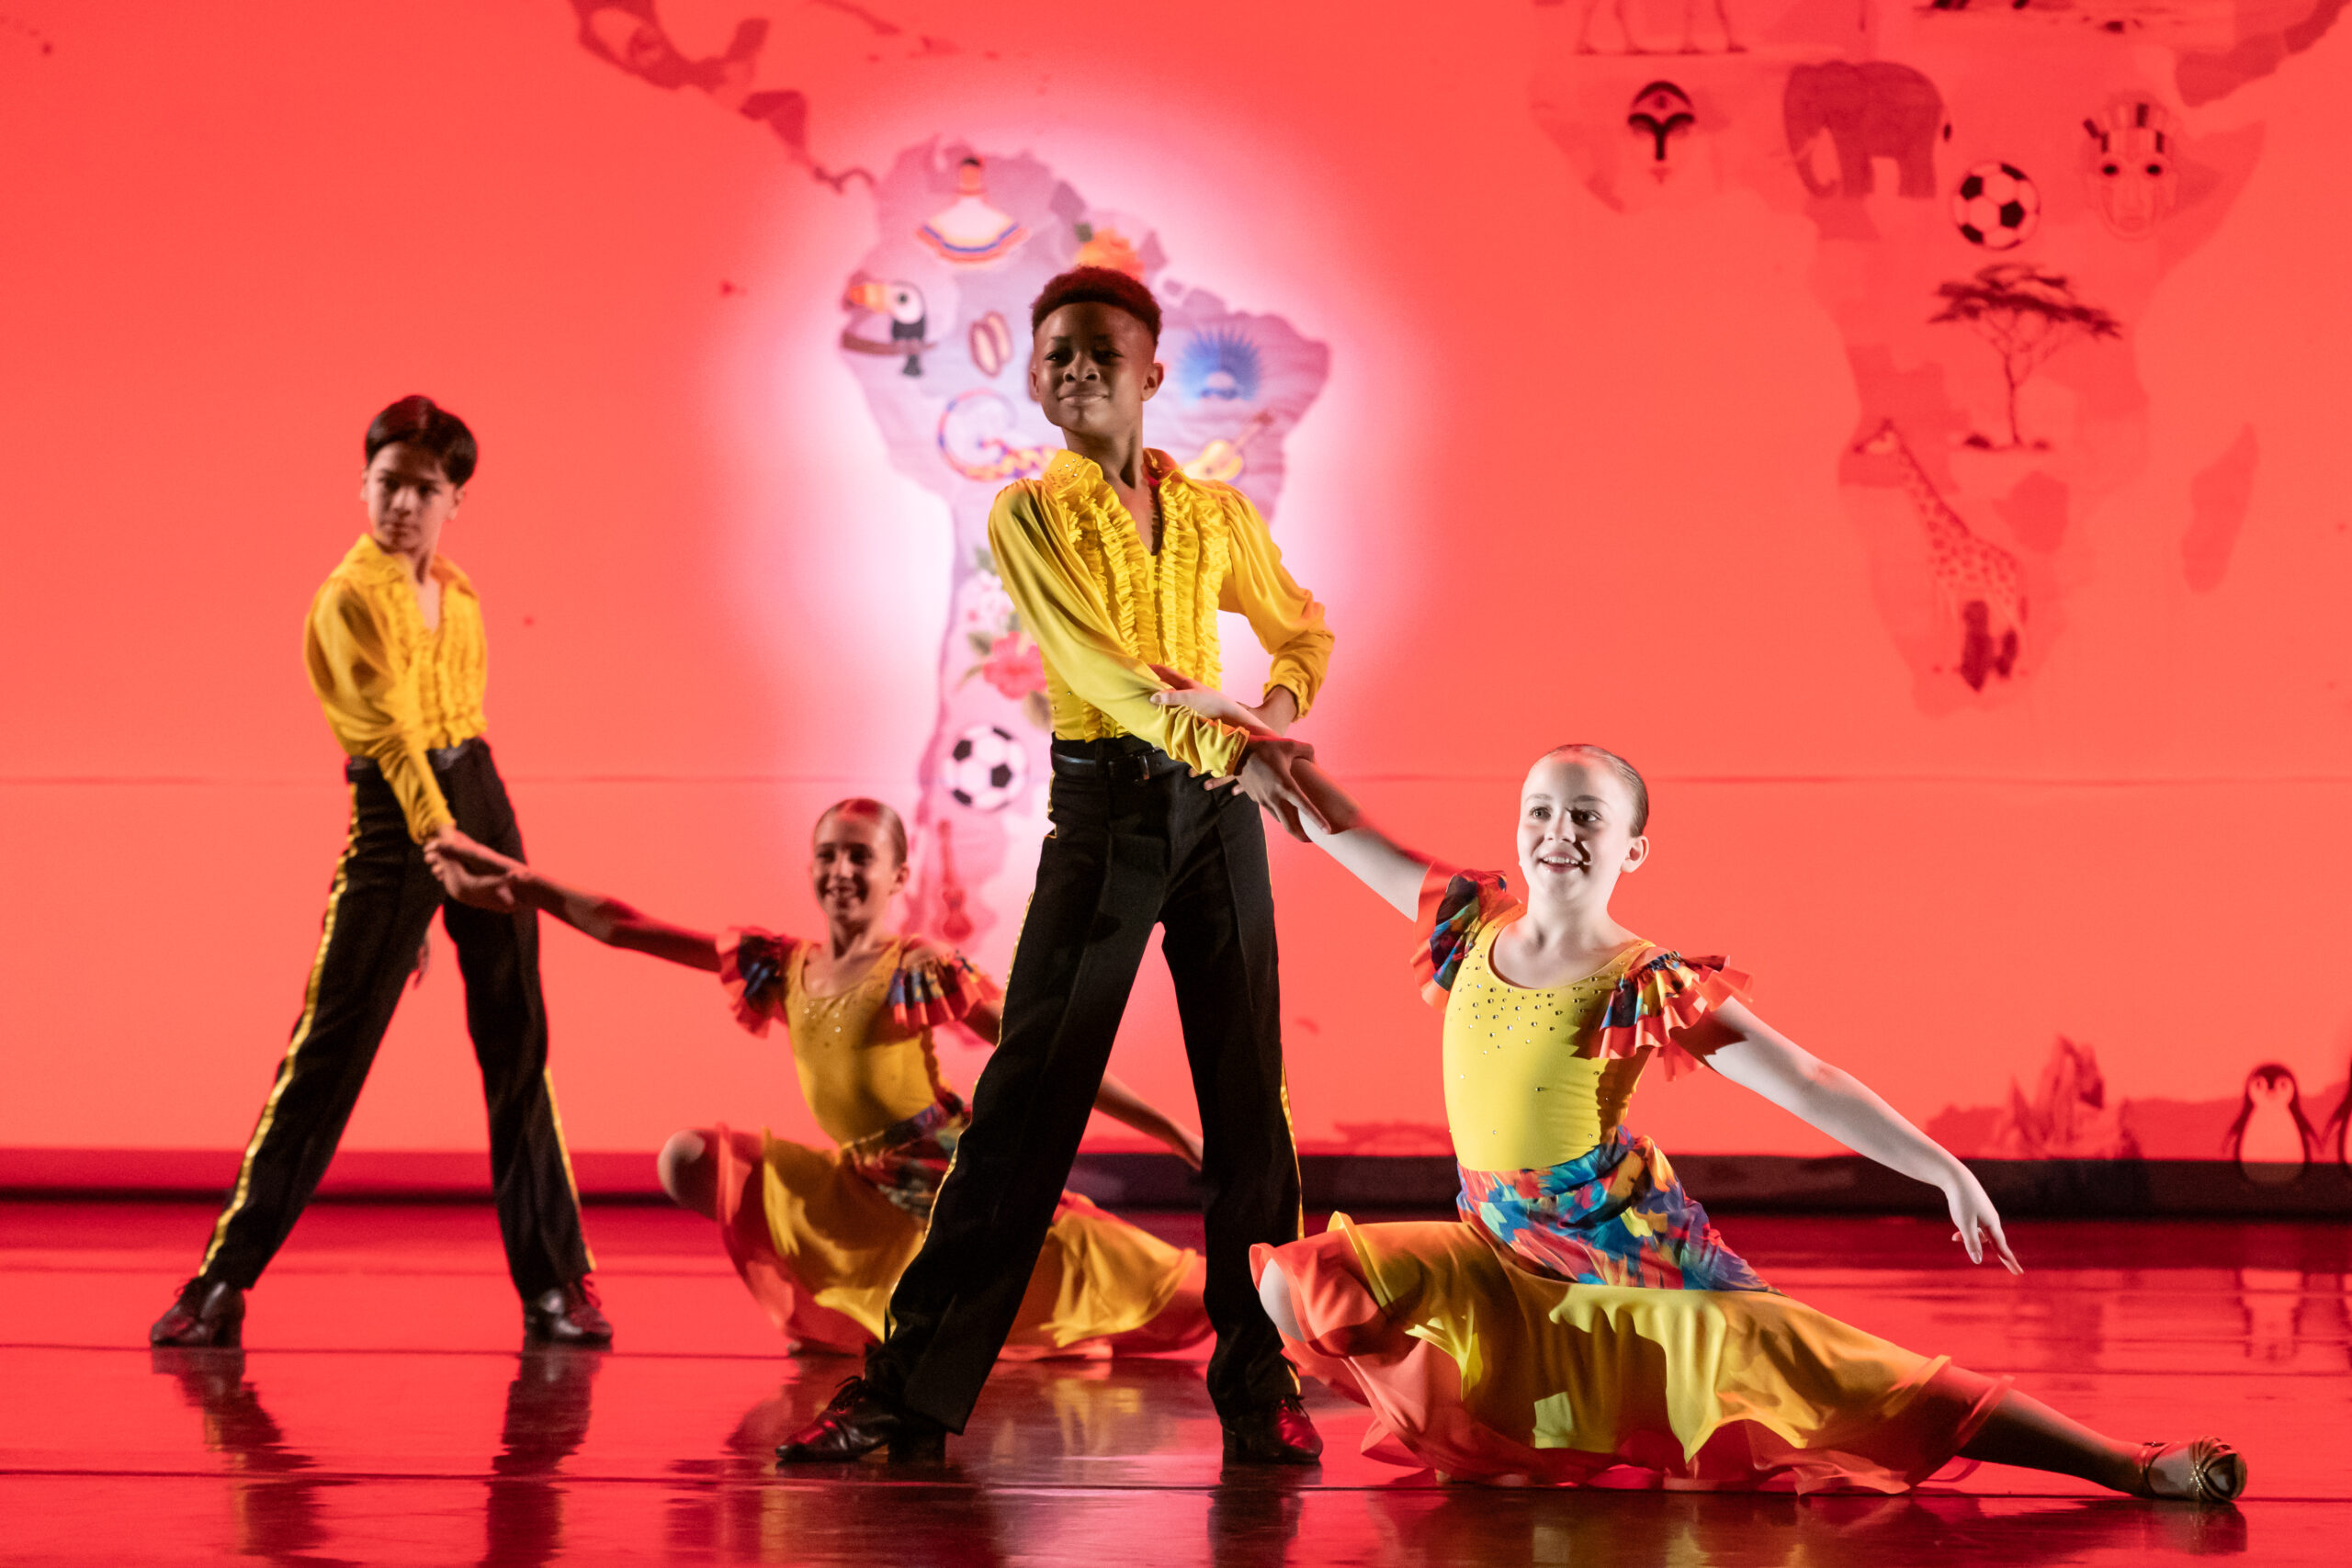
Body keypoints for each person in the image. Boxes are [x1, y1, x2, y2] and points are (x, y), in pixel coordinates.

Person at [1149, 699, 2245, 1499]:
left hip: (1624, 1246)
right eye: (1541, 810)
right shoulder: (1465, 923)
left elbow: (1804, 1075)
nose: (1557, 833)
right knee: (1302, 1287)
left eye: (1586, 819)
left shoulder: (1645, 977)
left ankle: (2125, 1464)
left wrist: (1944, 1166)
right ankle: (1505, 1437)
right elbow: (1334, 820)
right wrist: (1229, 728)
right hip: (1494, 1245)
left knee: (1850, 1376)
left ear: (1631, 847)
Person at [775, 266, 1339, 1465]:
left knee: (1251, 1107)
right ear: (1034, 381)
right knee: (1027, 1106)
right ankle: (908, 1389)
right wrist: (1235, 744)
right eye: (1055, 357)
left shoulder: (1213, 514)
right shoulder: (1029, 514)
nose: (1074, 370)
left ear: (1152, 371)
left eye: (1098, 351)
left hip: (1220, 810)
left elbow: (1301, 625)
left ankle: (1260, 1378)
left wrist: (1272, 719)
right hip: (1109, 813)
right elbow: (1097, 671)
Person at [426, 797, 1216, 1358]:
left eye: (860, 856)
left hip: (956, 1191)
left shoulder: (920, 967)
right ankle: (869, 1311)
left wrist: (1176, 1131)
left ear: (898, 875)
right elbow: (628, 927)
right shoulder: (783, 964)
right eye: (829, 854)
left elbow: (1050, 1051)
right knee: (689, 1156)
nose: (841, 870)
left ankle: (1291, 1300)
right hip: (859, 1189)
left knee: (1179, 1298)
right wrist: (519, 882)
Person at [149, 397, 609, 1350]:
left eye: (424, 489)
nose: (403, 504)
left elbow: (456, 728)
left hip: (477, 792)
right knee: (329, 1052)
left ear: (455, 501)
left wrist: (467, 845)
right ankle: (218, 1284)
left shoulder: (466, 593)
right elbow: (394, 743)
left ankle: (555, 1286)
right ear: (363, 485)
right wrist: (435, 861)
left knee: (518, 1039)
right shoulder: (348, 596)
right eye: (387, 483)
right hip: (400, 823)